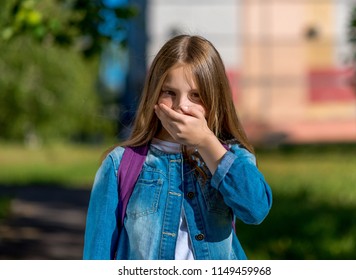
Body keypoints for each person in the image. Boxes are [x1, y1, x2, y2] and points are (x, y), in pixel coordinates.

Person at [83, 34, 272, 260]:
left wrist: (205, 141)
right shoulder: (118, 165)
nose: (182, 105)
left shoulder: (229, 156)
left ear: (215, 101)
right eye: (169, 92)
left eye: (196, 95)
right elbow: (97, 255)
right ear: (154, 94)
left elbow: (255, 210)